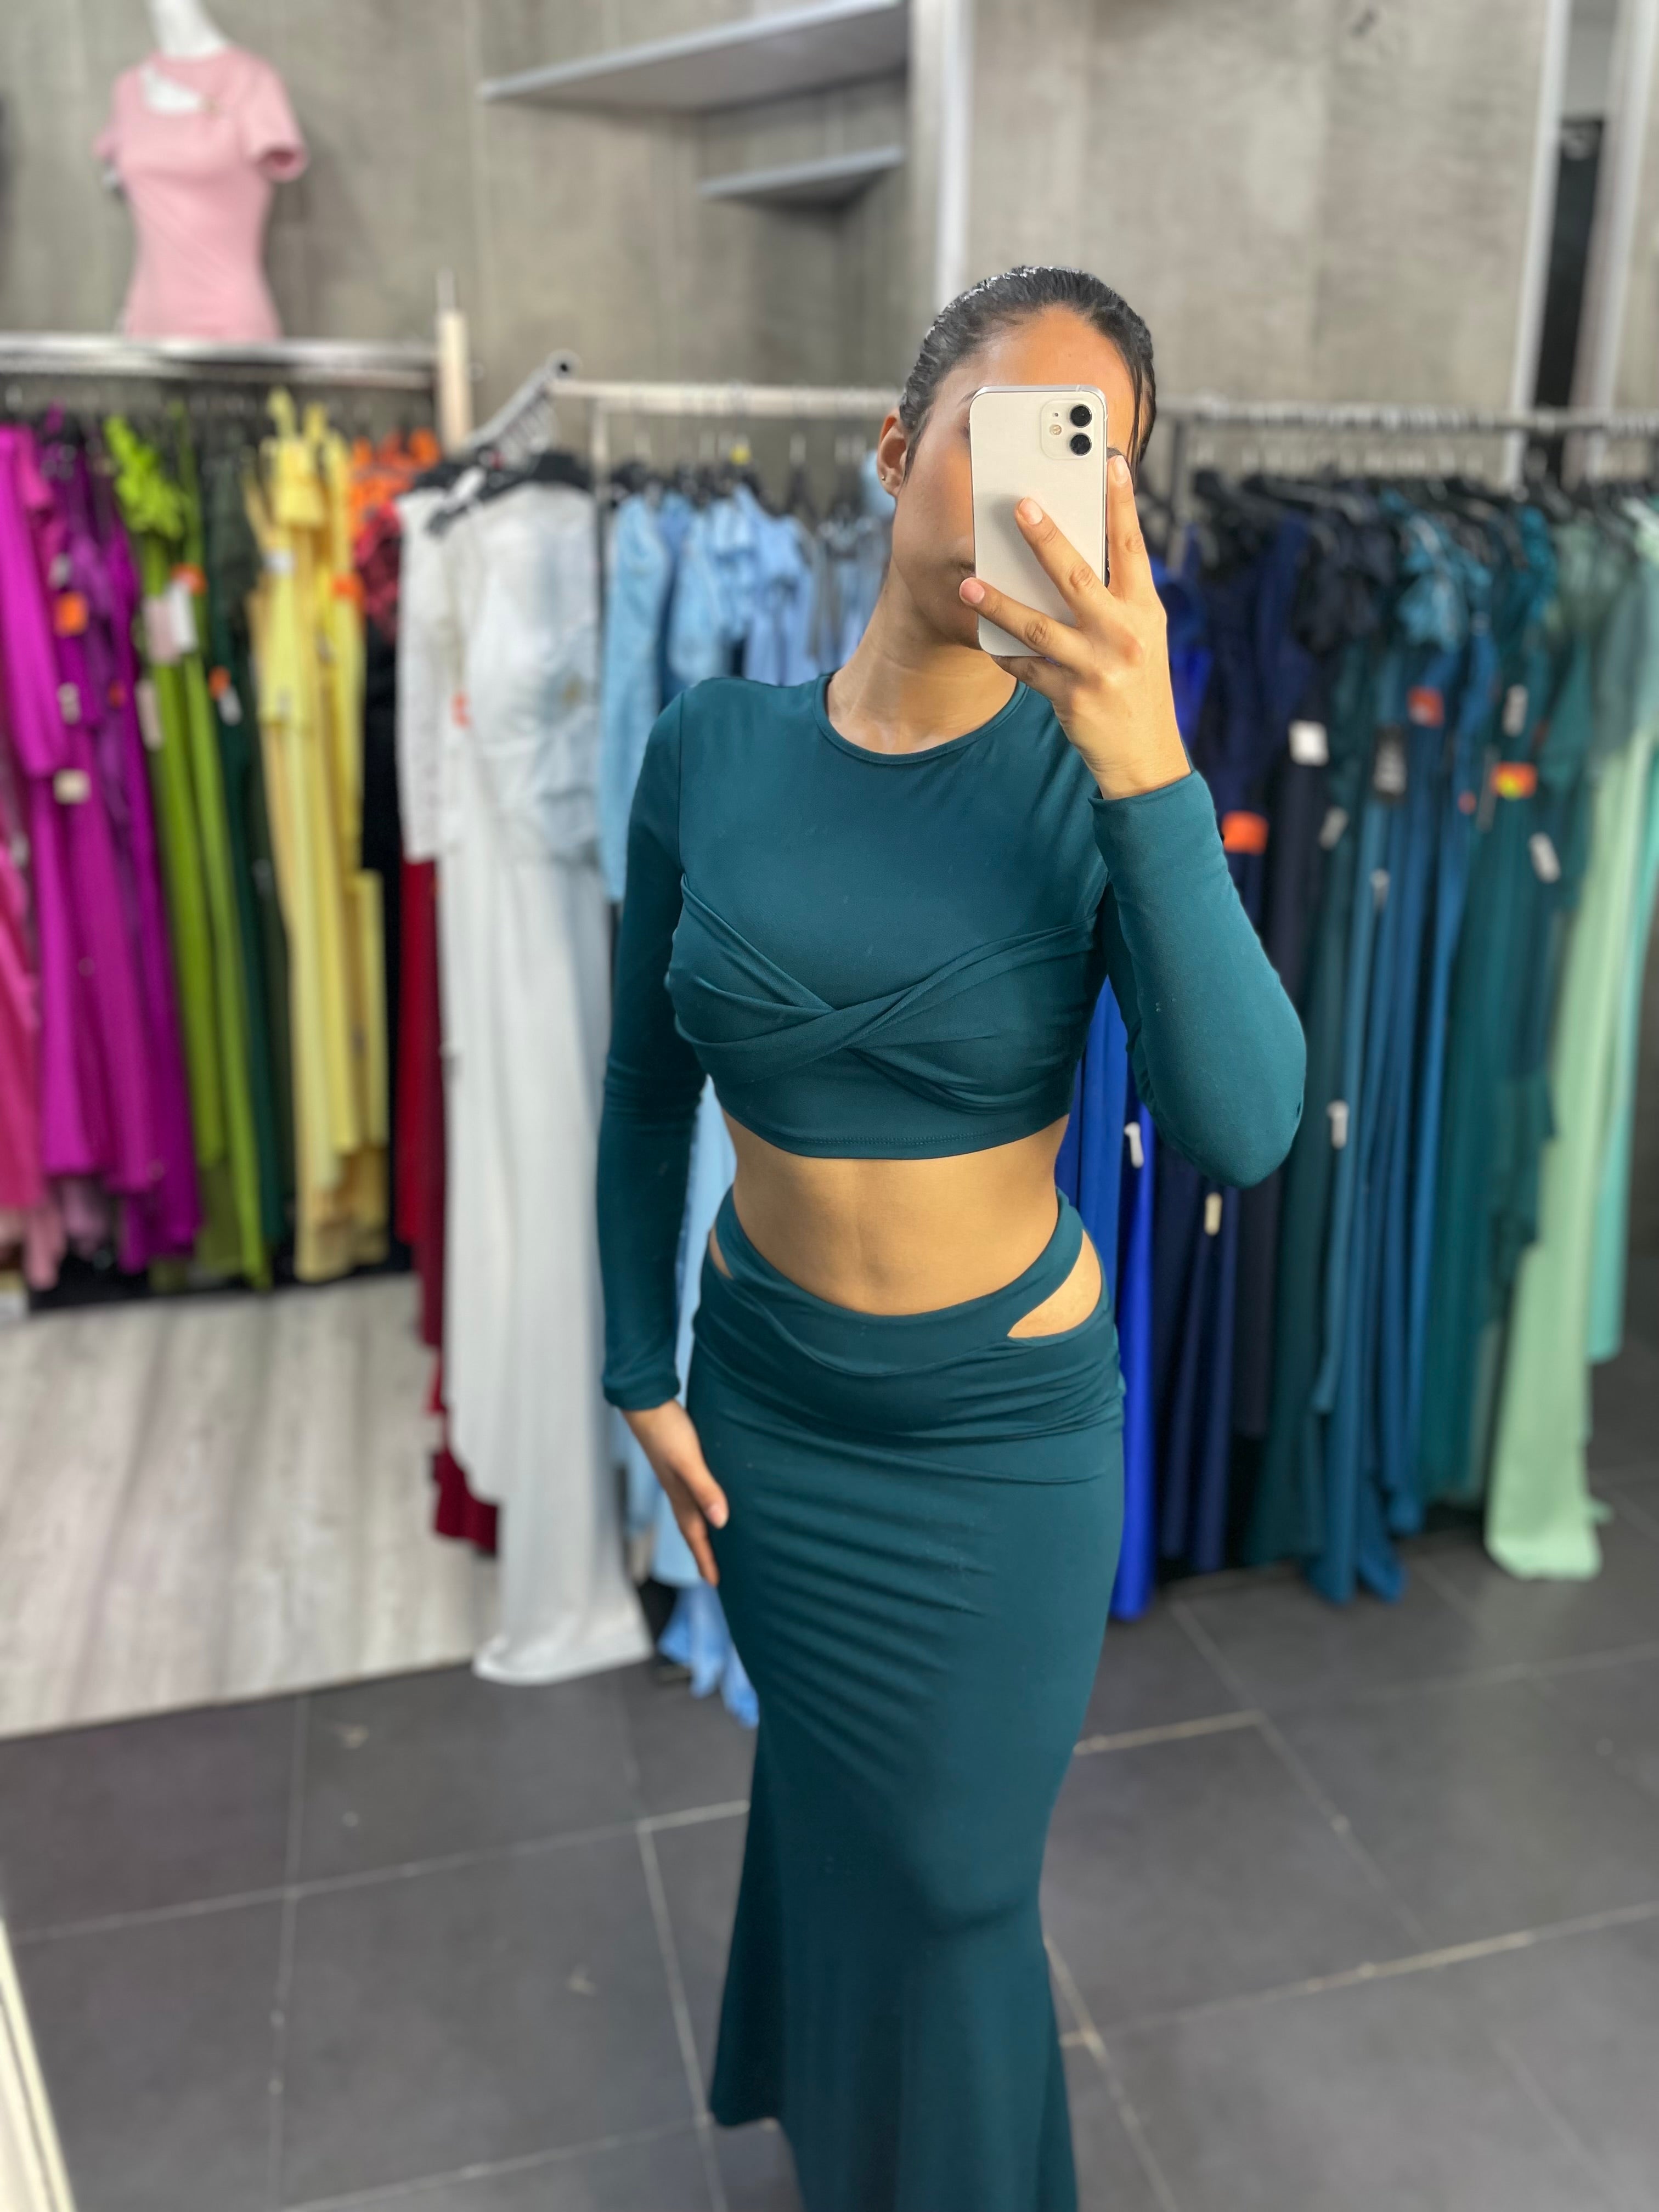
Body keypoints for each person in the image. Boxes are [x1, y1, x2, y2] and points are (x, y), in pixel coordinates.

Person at [596, 265, 1306, 2212]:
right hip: (766, 1413)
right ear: (899, 447)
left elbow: (1244, 1124)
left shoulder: (1099, 777)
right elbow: (644, 1091)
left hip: (995, 1445)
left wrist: (1150, 759)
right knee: (841, 1820)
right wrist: (637, 1367)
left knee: (966, 1894)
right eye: (1008, 431)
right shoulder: (713, 747)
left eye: (1094, 461)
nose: (1039, 491)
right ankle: (852, 2153)